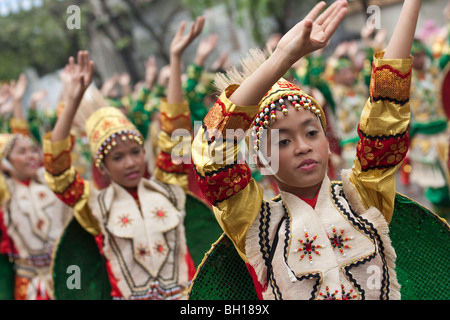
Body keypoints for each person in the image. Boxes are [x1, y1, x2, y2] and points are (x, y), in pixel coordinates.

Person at [192, 0, 420, 300]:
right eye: (283, 141)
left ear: (327, 141)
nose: (303, 147)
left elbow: (387, 111)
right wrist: (282, 59)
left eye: (312, 133)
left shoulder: (364, 198)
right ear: (260, 161)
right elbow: (212, 149)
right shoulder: (255, 224)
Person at [43, 17, 205, 300]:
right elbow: (57, 171)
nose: (130, 163)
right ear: (102, 167)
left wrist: (176, 58)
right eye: (117, 157)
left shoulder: (169, 187)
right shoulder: (93, 205)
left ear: (145, 153)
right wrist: (72, 101)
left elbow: (177, 130)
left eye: (135, 152)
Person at [0, 73, 72, 300]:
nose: (32, 155)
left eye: (34, 150)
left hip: (68, 277)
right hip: (30, 287)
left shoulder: (51, 179)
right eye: (22, 153)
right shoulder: (5, 192)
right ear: (5, 162)